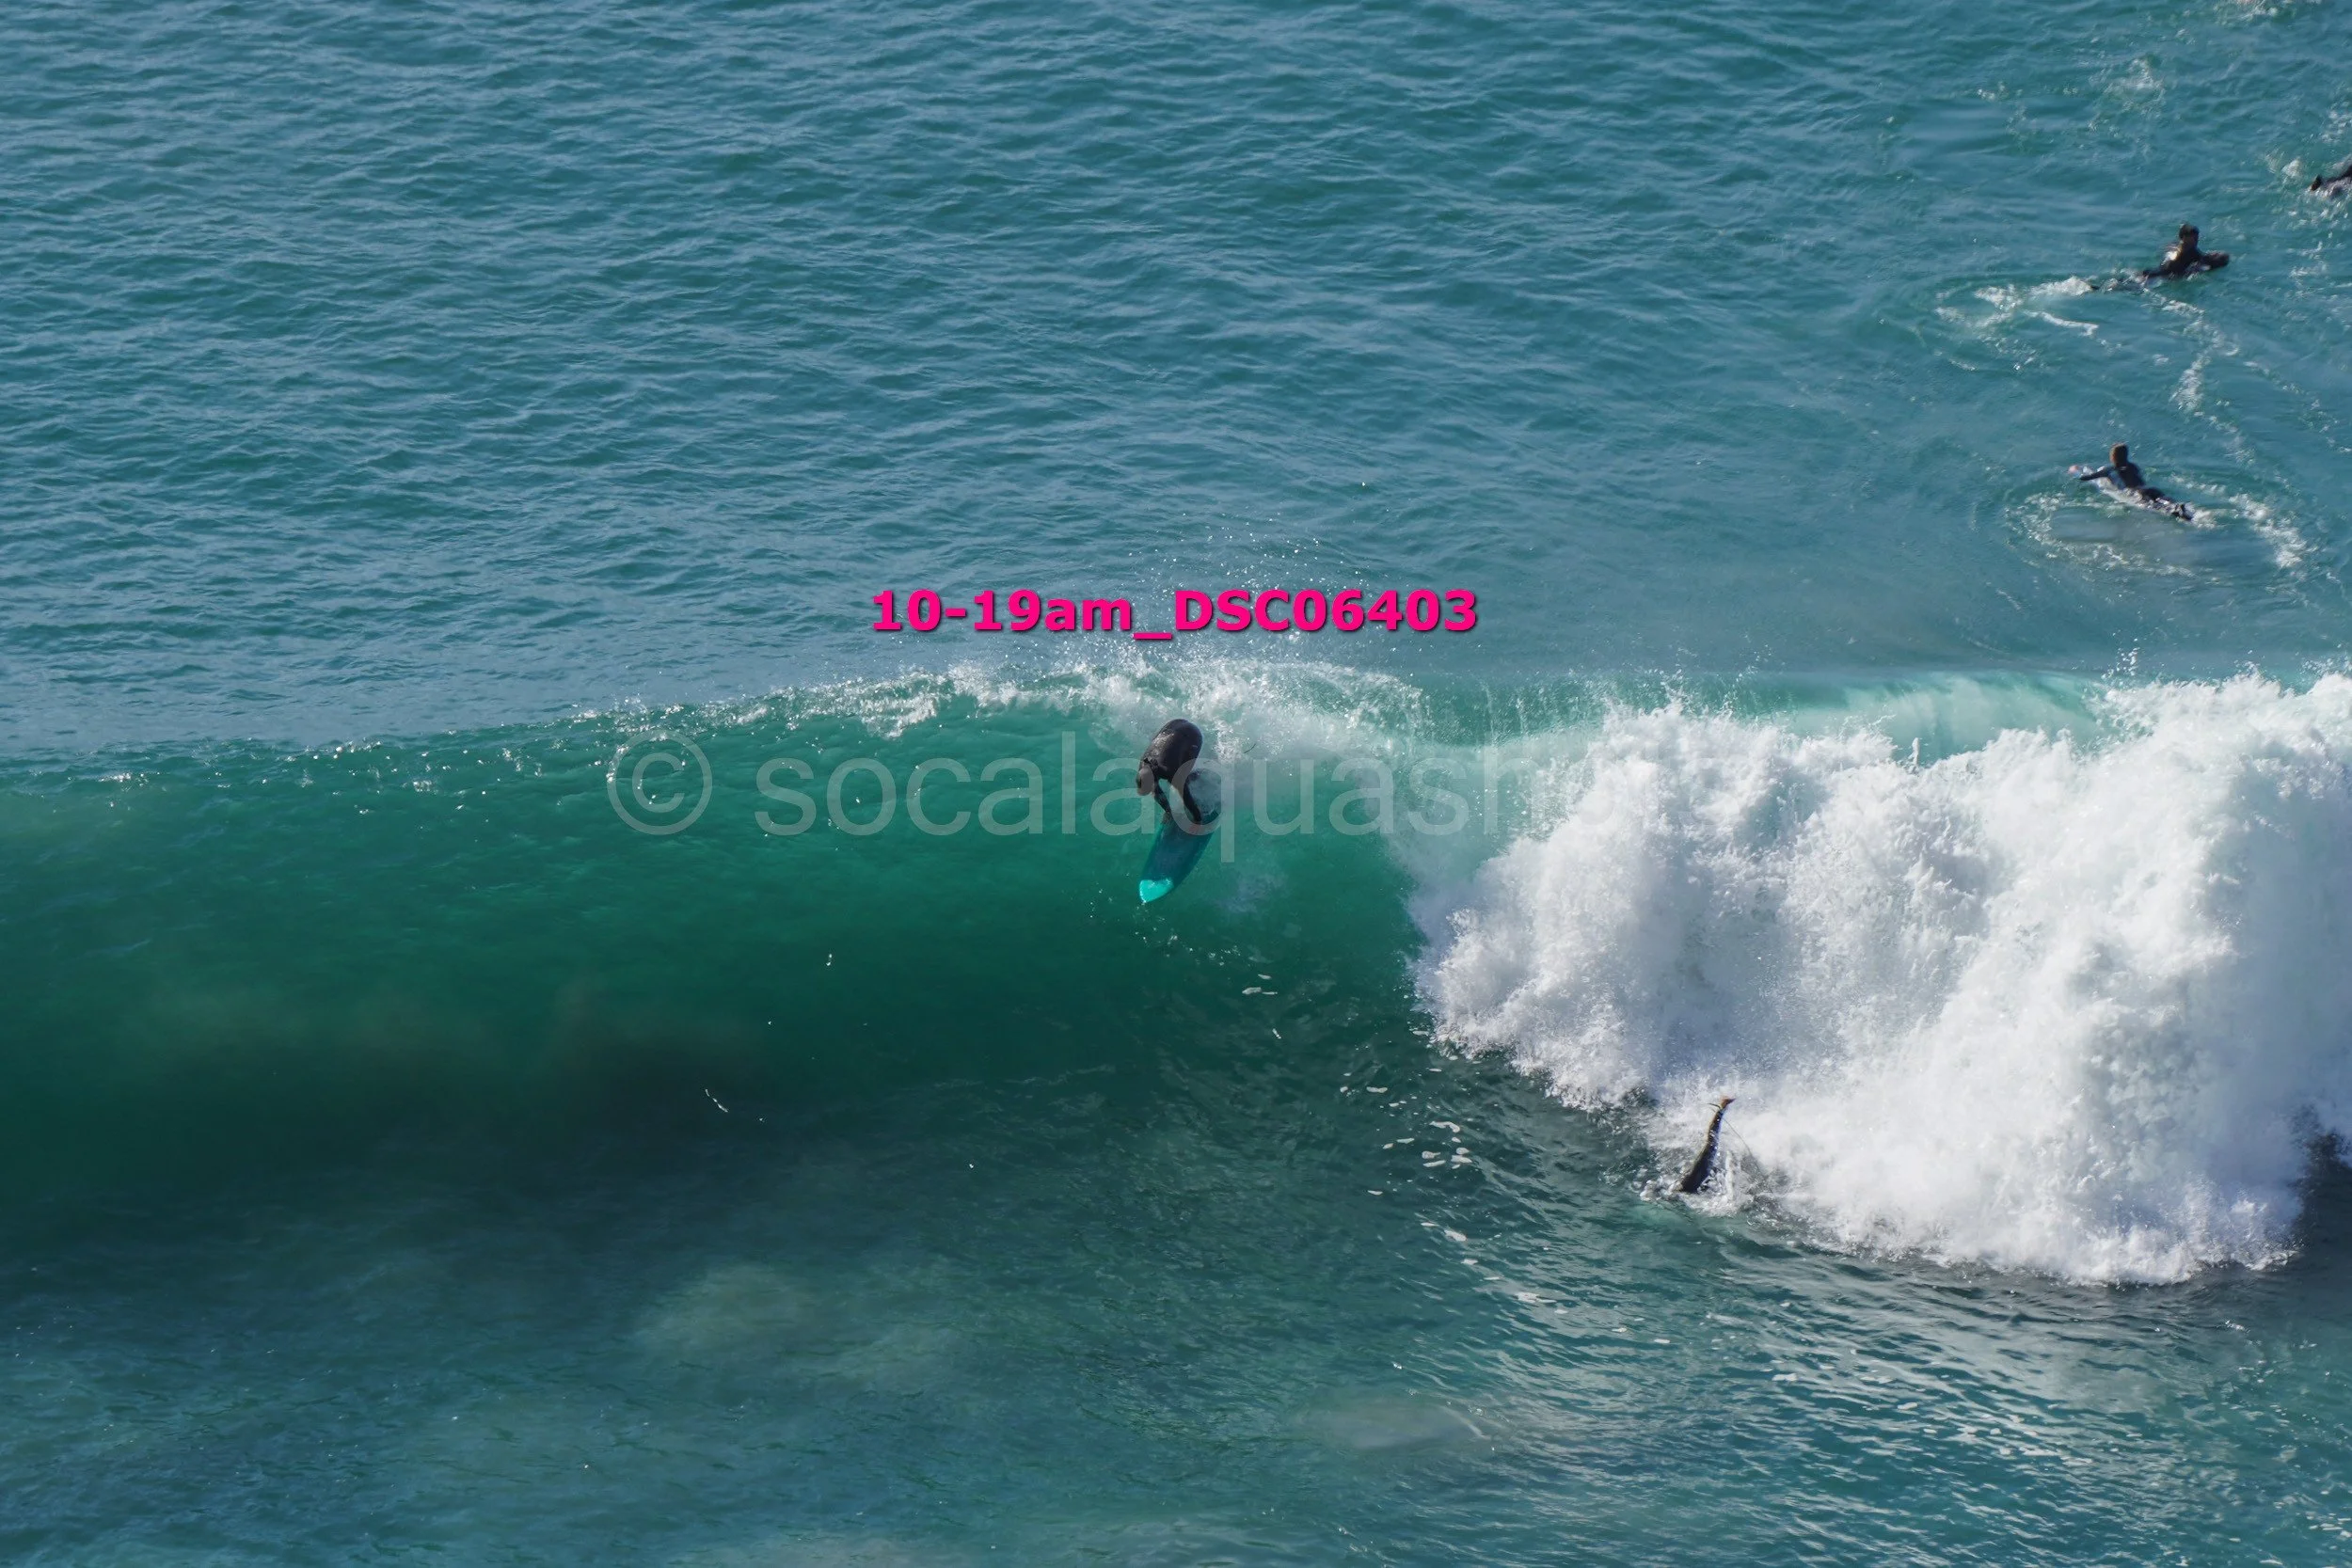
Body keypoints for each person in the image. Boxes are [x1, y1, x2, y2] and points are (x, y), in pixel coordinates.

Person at [2075, 443, 2193, 519]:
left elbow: (2087, 477)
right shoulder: (2134, 466)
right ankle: (2178, 507)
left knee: (2155, 506)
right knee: (2165, 499)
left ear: (2112, 457)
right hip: (2149, 489)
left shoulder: (2109, 470)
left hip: (2136, 493)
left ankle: (2174, 512)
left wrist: (2077, 470)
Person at [1136, 719, 1209, 826]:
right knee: (1156, 788)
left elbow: (1185, 796)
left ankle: (1201, 775)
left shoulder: (1170, 771)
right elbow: (1155, 792)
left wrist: (1197, 819)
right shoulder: (1143, 765)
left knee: (1184, 780)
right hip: (1174, 725)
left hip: (1193, 735)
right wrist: (1168, 810)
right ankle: (1170, 811)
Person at [2138, 224, 2228, 281]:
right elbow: (2207, 261)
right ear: (2184, 237)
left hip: (2160, 273)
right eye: (2193, 238)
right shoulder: (2193, 252)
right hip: (2166, 275)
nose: (2196, 240)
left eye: (2196, 237)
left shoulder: (2174, 246)